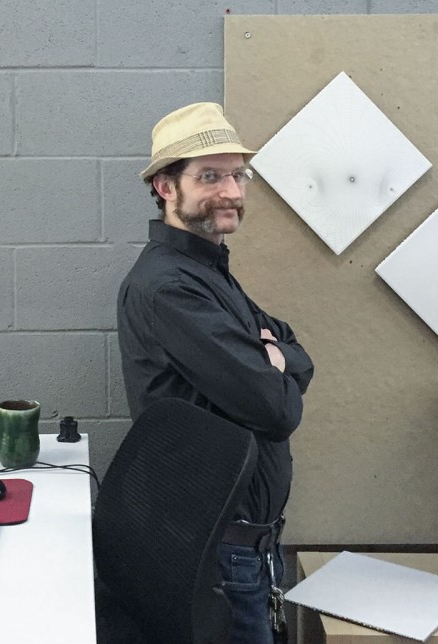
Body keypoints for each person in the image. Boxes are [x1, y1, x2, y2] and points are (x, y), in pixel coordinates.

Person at [116, 102, 315, 644]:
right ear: (165, 186)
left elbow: (298, 353)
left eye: (237, 175)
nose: (231, 191)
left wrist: (277, 360)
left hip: (248, 544)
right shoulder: (171, 288)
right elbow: (277, 411)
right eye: (210, 177)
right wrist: (271, 363)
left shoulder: (208, 270)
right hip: (219, 553)